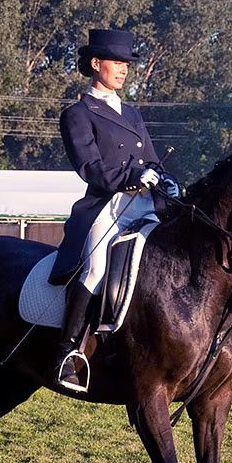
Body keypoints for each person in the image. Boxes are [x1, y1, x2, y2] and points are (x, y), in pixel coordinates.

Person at [47, 28, 179, 393]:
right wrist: (134, 175)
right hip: (106, 205)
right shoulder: (77, 113)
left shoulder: (133, 113)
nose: (123, 70)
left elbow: (151, 159)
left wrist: (166, 181)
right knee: (96, 267)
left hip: (144, 204)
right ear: (95, 64)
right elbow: (89, 167)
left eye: (126, 64)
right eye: (117, 63)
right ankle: (69, 352)